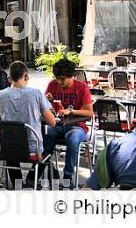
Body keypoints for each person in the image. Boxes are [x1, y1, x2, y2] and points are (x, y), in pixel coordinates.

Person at [0, 61, 56, 186]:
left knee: (11, 143)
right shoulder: (36, 93)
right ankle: (31, 179)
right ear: (26, 76)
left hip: (7, 149)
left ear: (9, 78)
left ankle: (17, 184)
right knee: (49, 141)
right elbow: (52, 122)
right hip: (32, 150)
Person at [43, 58, 93, 187]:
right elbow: (46, 109)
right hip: (57, 125)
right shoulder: (52, 85)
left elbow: (89, 113)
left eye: (62, 79)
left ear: (71, 76)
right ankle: (42, 171)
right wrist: (48, 101)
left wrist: (71, 111)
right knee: (44, 134)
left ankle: (67, 177)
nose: (59, 82)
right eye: (57, 78)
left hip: (77, 127)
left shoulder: (81, 87)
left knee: (73, 138)